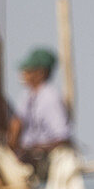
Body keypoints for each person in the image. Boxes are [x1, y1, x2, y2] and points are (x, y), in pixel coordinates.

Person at [8, 47, 73, 180]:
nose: (24, 75)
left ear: (40, 73)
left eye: (28, 71)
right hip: (27, 155)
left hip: (43, 159)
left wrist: (34, 149)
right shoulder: (27, 95)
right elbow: (17, 123)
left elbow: (63, 138)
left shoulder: (49, 97)